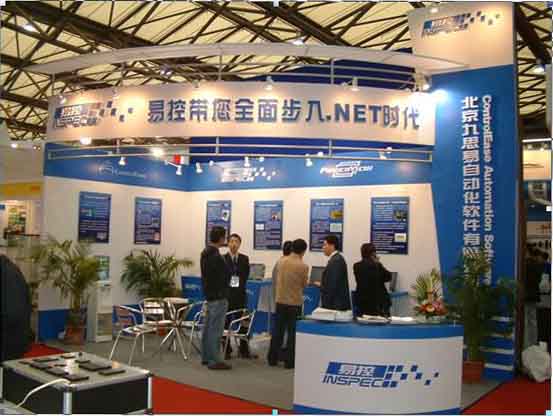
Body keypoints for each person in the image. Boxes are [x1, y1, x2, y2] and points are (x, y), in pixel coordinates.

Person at [268, 239, 309, 369]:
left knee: (277, 331)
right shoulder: (303, 266)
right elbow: (304, 284)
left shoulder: (281, 261)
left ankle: (272, 358)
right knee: (292, 333)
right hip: (294, 303)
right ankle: (289, 361)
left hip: (280, 301)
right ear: (303, 251)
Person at [200, 226, 232, 370]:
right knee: (216, 330)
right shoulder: (217, 257)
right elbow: (224, 276)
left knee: (208, 328)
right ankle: (214, 360)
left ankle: (206, 356)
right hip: (219, 296)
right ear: (221, 238)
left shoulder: (205, 253)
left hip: (210, 295)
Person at [223, 233, 256, 359]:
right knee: (225, 323)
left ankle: (244, 349)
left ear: (240, 244)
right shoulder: (223, 258)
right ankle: (226, 349)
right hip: (227, 296)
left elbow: (245, 276)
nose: (233, 244)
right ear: (228, 243)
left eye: (236, 241)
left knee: (243, 323)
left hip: (240, 296)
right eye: (231, 241)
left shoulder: (244, 259)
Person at [1, 254, 32, 361]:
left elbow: (12, 312)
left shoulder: (8, 273)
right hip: (14, 338)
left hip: (8, 341)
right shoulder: (11, 269)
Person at [353, 243, 392, 317]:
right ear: (373, 253)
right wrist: (378, 263)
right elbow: (388, 277)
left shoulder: (356, 266)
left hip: (362, 302)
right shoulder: (376, 266)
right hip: (378, 303)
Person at [271, 240, 293, 362]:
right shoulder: (287, 264)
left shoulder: (278, 262)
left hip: (279, 300)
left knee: (278, 330)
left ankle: (274, 356)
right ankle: (283, 354)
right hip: (286, 301)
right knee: (286, 330)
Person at [320, 235, 351, 311]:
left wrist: (325, 306)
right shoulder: (335, 259)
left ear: (332, 246)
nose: (323, 248)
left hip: (335, 305)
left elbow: (332, 285)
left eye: (325, 245)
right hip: (335, 304)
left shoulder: (336, 261)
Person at [524, 248, 542, 349]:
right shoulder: (537, 266)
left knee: (526, 320)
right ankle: (534, 343)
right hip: (534, 295)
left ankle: (527, 344)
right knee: (533, 320)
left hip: (525, 295)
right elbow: (539, 280)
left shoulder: (524, 264)